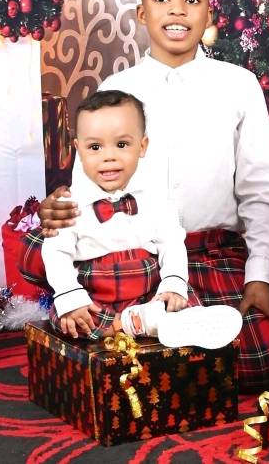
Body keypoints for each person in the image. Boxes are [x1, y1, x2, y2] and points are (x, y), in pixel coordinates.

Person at [20, 0, 269, 390]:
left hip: (212, 253)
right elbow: (90, 181)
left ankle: (154, 338)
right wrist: (63, 210)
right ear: (142, 13)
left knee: (261, 356)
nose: (177, 11)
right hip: (134, 258)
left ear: (209, 12)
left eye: (192, 0)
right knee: (47, 256)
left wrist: (260, 275)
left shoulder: (237, 86)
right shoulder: (117, 89)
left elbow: (262, 190)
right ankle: (135, 331)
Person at [41, 89, 242, 349]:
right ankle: (134, 324)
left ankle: (167, 319)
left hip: (147, 287)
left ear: (142, 146)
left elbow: (171, 243)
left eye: (122, 145)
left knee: (181, 299)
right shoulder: (68, 204)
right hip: (96, 291)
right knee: (70, 318)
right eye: (95, 147)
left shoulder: (155, 198)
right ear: (78, 150)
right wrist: (71, 296)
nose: (109, 156)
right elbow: (56, 253)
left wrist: (173, 283)